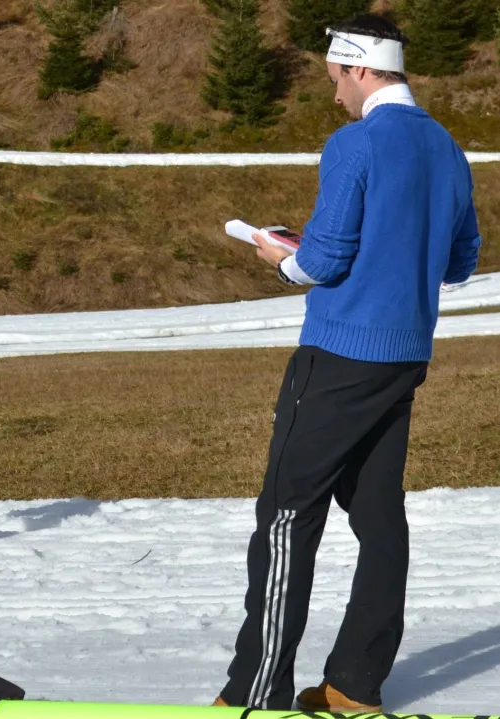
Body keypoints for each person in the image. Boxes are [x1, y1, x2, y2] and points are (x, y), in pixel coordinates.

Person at [214, 15, 481, 713]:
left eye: (335, 78)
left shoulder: (355, 142)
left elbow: (321, 260)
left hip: (338, 355)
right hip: (403, 357)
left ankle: (254, 690)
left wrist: (282, 258)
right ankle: (352, 685)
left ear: (359, 69)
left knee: (284, 513)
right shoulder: (447, 147)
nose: (333, 94)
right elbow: (460, 258)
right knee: (377, 517)